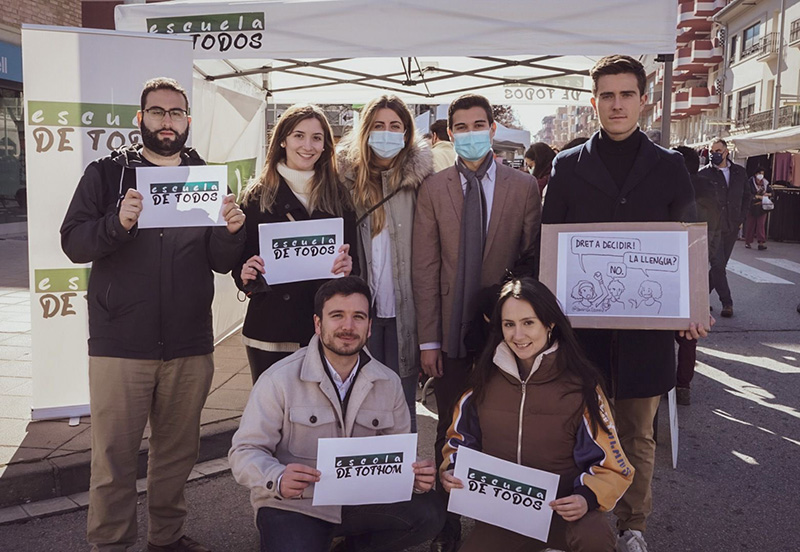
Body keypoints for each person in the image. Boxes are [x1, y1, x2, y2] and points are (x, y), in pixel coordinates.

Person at [60, 77, 246, 552]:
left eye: (176, 112)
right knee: (113, 459)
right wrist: (117, 223)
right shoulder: (108, 175)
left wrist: (230, 232)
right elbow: (73, 242)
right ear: (141, 119)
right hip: (121, 344)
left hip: (188, 343)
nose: (168, 121)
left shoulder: (207, 178)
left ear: (187, 120)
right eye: (158, 112)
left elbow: (220, 260)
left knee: (177, 456)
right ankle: (111, 544)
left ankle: (167, 538)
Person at [542, 55, 709, 552]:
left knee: (637, 434)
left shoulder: (669, 165)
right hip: (582, 333)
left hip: (645, 332)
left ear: (643, 100)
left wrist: (694, 305)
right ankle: (579, 519)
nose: (617, 104)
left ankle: (633, 524)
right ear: (594, 102)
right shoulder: (567, 165)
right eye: (607, 96)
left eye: (626, 95)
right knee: (577, 428)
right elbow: (549, 244)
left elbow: (689, 240)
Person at [229, 276, 444, 552]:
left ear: (369, 327)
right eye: (337, 315)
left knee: (430, 513)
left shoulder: (388, 383)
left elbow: (397, 454)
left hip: (361, 500)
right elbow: (244, 450)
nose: (348, 326)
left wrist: (414, 478)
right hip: (297, 504)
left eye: (358, 317)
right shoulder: (278, 380)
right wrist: (278, 478)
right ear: (318, 324)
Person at [412, 93, 541, 552]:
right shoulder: (433, 188)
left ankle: (497, 523)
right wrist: (429, 341)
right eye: (461, 127)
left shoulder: (523, 187)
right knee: (450, 427)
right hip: (449, 332)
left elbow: (531, 260)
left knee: (502, 430)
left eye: (479, 125)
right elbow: (425, 269)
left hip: (505, 333)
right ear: (450, 133)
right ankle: (446, 521)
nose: (471, 134)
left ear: (492, 128)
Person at [440, 278, 634, 552]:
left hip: (564, 512)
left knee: (595, 537)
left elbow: (613, 466)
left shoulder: (582, 387)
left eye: (528, 323)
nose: (518, 335)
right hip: (503, 514)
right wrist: (452, 469)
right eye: (509, 324)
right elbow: (459, 442)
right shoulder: (482, 381)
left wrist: (587, 497)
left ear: (549, 323)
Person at [233, 104, 356, 383]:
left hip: (326, 331)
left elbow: (354, 260)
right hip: (271, 332)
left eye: (316, 138)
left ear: (326, 145)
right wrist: (246, 273)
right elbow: (240, 264)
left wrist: (349, 266)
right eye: (299, 135)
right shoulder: (257, 196)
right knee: (272, 408)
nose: (308, 146)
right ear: (282, 140)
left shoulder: (339, 195)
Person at [337, 95, 433, 432]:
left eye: (395, 126)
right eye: (378, 126)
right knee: (359, 402)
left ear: (407, 133)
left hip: (406, 311)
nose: (387, 133)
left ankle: (402, 466)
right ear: (365, 131)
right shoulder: (344, 181)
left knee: (402, 404)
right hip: (361, 310)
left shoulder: (422, 182)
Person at [673, 145, 719, 406]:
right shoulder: (707, 186)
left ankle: (663, 385)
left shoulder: (668, 186)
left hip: (669, 263)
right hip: (697, 264)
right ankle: (683, 385)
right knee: (689, 334)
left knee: (662, 330)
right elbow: (716, 224)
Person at [697, 138, 751, 318]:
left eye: (718, 151)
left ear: (726, 152)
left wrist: (741, 219)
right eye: (712, 151)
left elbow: (747, 196)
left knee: (719, 266)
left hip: (731, 225)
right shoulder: (704, 174)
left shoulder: (739, 172)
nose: (714, 154)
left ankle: (699, 298)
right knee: (718, 265)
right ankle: (727, 302)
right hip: (712, 228)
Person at [744, 167, 772, 251]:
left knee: (761, 225)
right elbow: (748, 194)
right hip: (752, 206)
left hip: (762, 206)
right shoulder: (750, 183)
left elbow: (771, 192)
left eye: (762, 174)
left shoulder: (765, 183)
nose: (761, 175)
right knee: (750, 224)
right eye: (759, 173)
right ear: (755, 174)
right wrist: (757, 196)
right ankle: (748, 242)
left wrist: (768, 194)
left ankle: (761, 242)